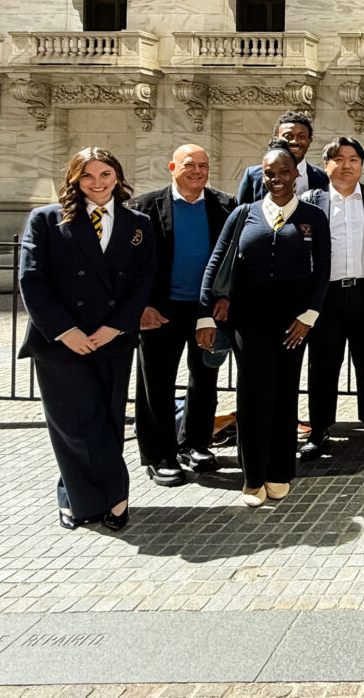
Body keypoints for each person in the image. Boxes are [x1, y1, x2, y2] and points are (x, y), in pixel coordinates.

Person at [19, 148, 155, 531]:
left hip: (111, 339)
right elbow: (32, 280)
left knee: (107, 421)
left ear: (118, 176)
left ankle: (74, 498)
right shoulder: (46, 220)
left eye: (106, 174)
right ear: (74, 180)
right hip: (60, 341)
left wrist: (115, 327)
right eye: (88, 176)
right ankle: (113, 496)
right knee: (73, 425)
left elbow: (144, 280)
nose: (98, 183)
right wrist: (67, 332)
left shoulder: (138, 223)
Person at [197, 142, 329, 506]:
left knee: (285, 393)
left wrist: (309, 316)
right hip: (249, 318)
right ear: (262, 175)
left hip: (294, 321)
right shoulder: (243, 213)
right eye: (270, 173)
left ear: (295, 175)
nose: (277, 179)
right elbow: (216, 263)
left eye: (284, 172)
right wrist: (205, 313)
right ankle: (252, 477)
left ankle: (279, 472)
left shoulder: (313, 216)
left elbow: (323, 270)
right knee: (253, 394)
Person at [131, 145, 237, 486]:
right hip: (160, 310)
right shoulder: (144, 208)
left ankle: (195, 444)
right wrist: (141, 306)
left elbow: (235, 259)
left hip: (207, 309)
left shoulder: (224, 205)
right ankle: (159, 454)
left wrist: (226, 299)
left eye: (204, 166)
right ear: (172, 167)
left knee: (204, 379)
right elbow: (132, 266)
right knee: (156, 383)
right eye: (190, 165)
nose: (197, 171)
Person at [299, 136, 364, 460]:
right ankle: (320, 427)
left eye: (353, 159)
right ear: (326, 165)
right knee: (323, 364)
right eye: (339, 159)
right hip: (326, 297)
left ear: (362, 165)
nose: (346, 165)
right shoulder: (311, 201)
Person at [236, 111, 329, 202]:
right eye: (288, 136)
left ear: (310, 141)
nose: (295, 142)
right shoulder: (253, 175)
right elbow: (241, 213)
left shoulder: (322, 178)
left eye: (301, 137)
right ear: (276, 140)